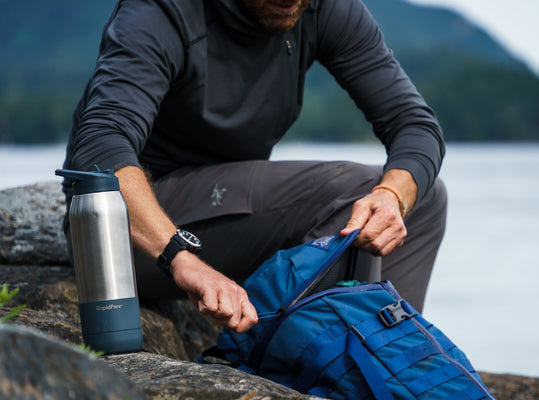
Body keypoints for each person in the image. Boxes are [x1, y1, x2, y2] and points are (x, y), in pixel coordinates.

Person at [60, 0, 447, 335]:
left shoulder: (321, 8)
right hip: (127, 234)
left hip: (229, 214)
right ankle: (313, 364)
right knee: (350, 188)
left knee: (421, 196)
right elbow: (100, 148)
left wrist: (391, 194)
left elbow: (413, 123)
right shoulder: (162, 10)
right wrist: (181, 256)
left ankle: (382, 357)